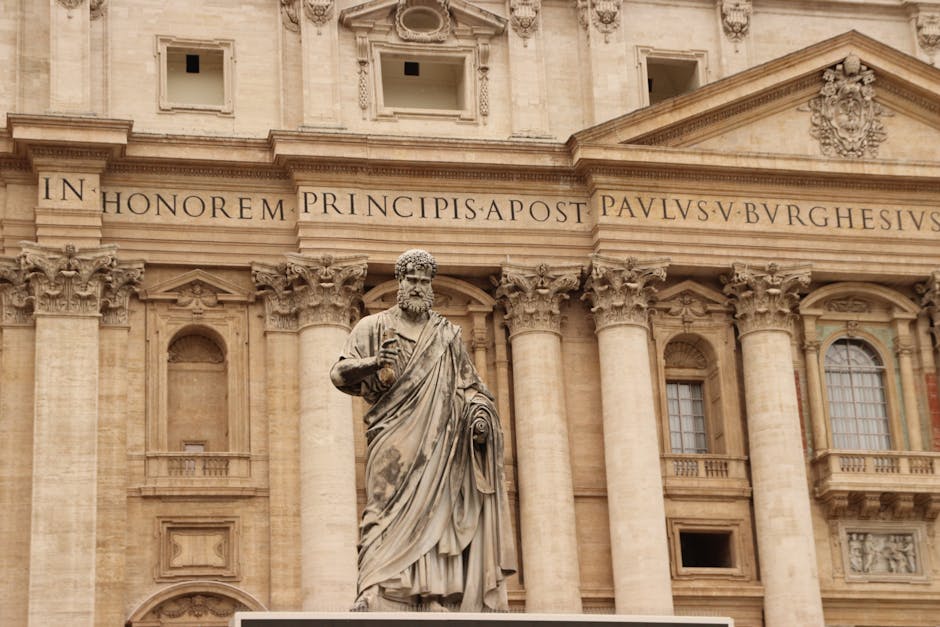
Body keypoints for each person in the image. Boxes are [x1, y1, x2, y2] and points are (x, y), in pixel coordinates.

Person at [331, 249, 516, 612]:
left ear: (430, 286)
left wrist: (480, 418)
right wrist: (373, 362)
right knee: (381, 508)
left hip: (441, 440)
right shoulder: (373, 327)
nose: (417, 287)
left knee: (437, 510)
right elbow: (338, 375)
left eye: (423, 281)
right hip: (393, 435)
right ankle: (373, 588)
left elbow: (472, 387)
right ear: (399, 283)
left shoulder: (446, 335)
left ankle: (433, 593)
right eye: (411, 280)